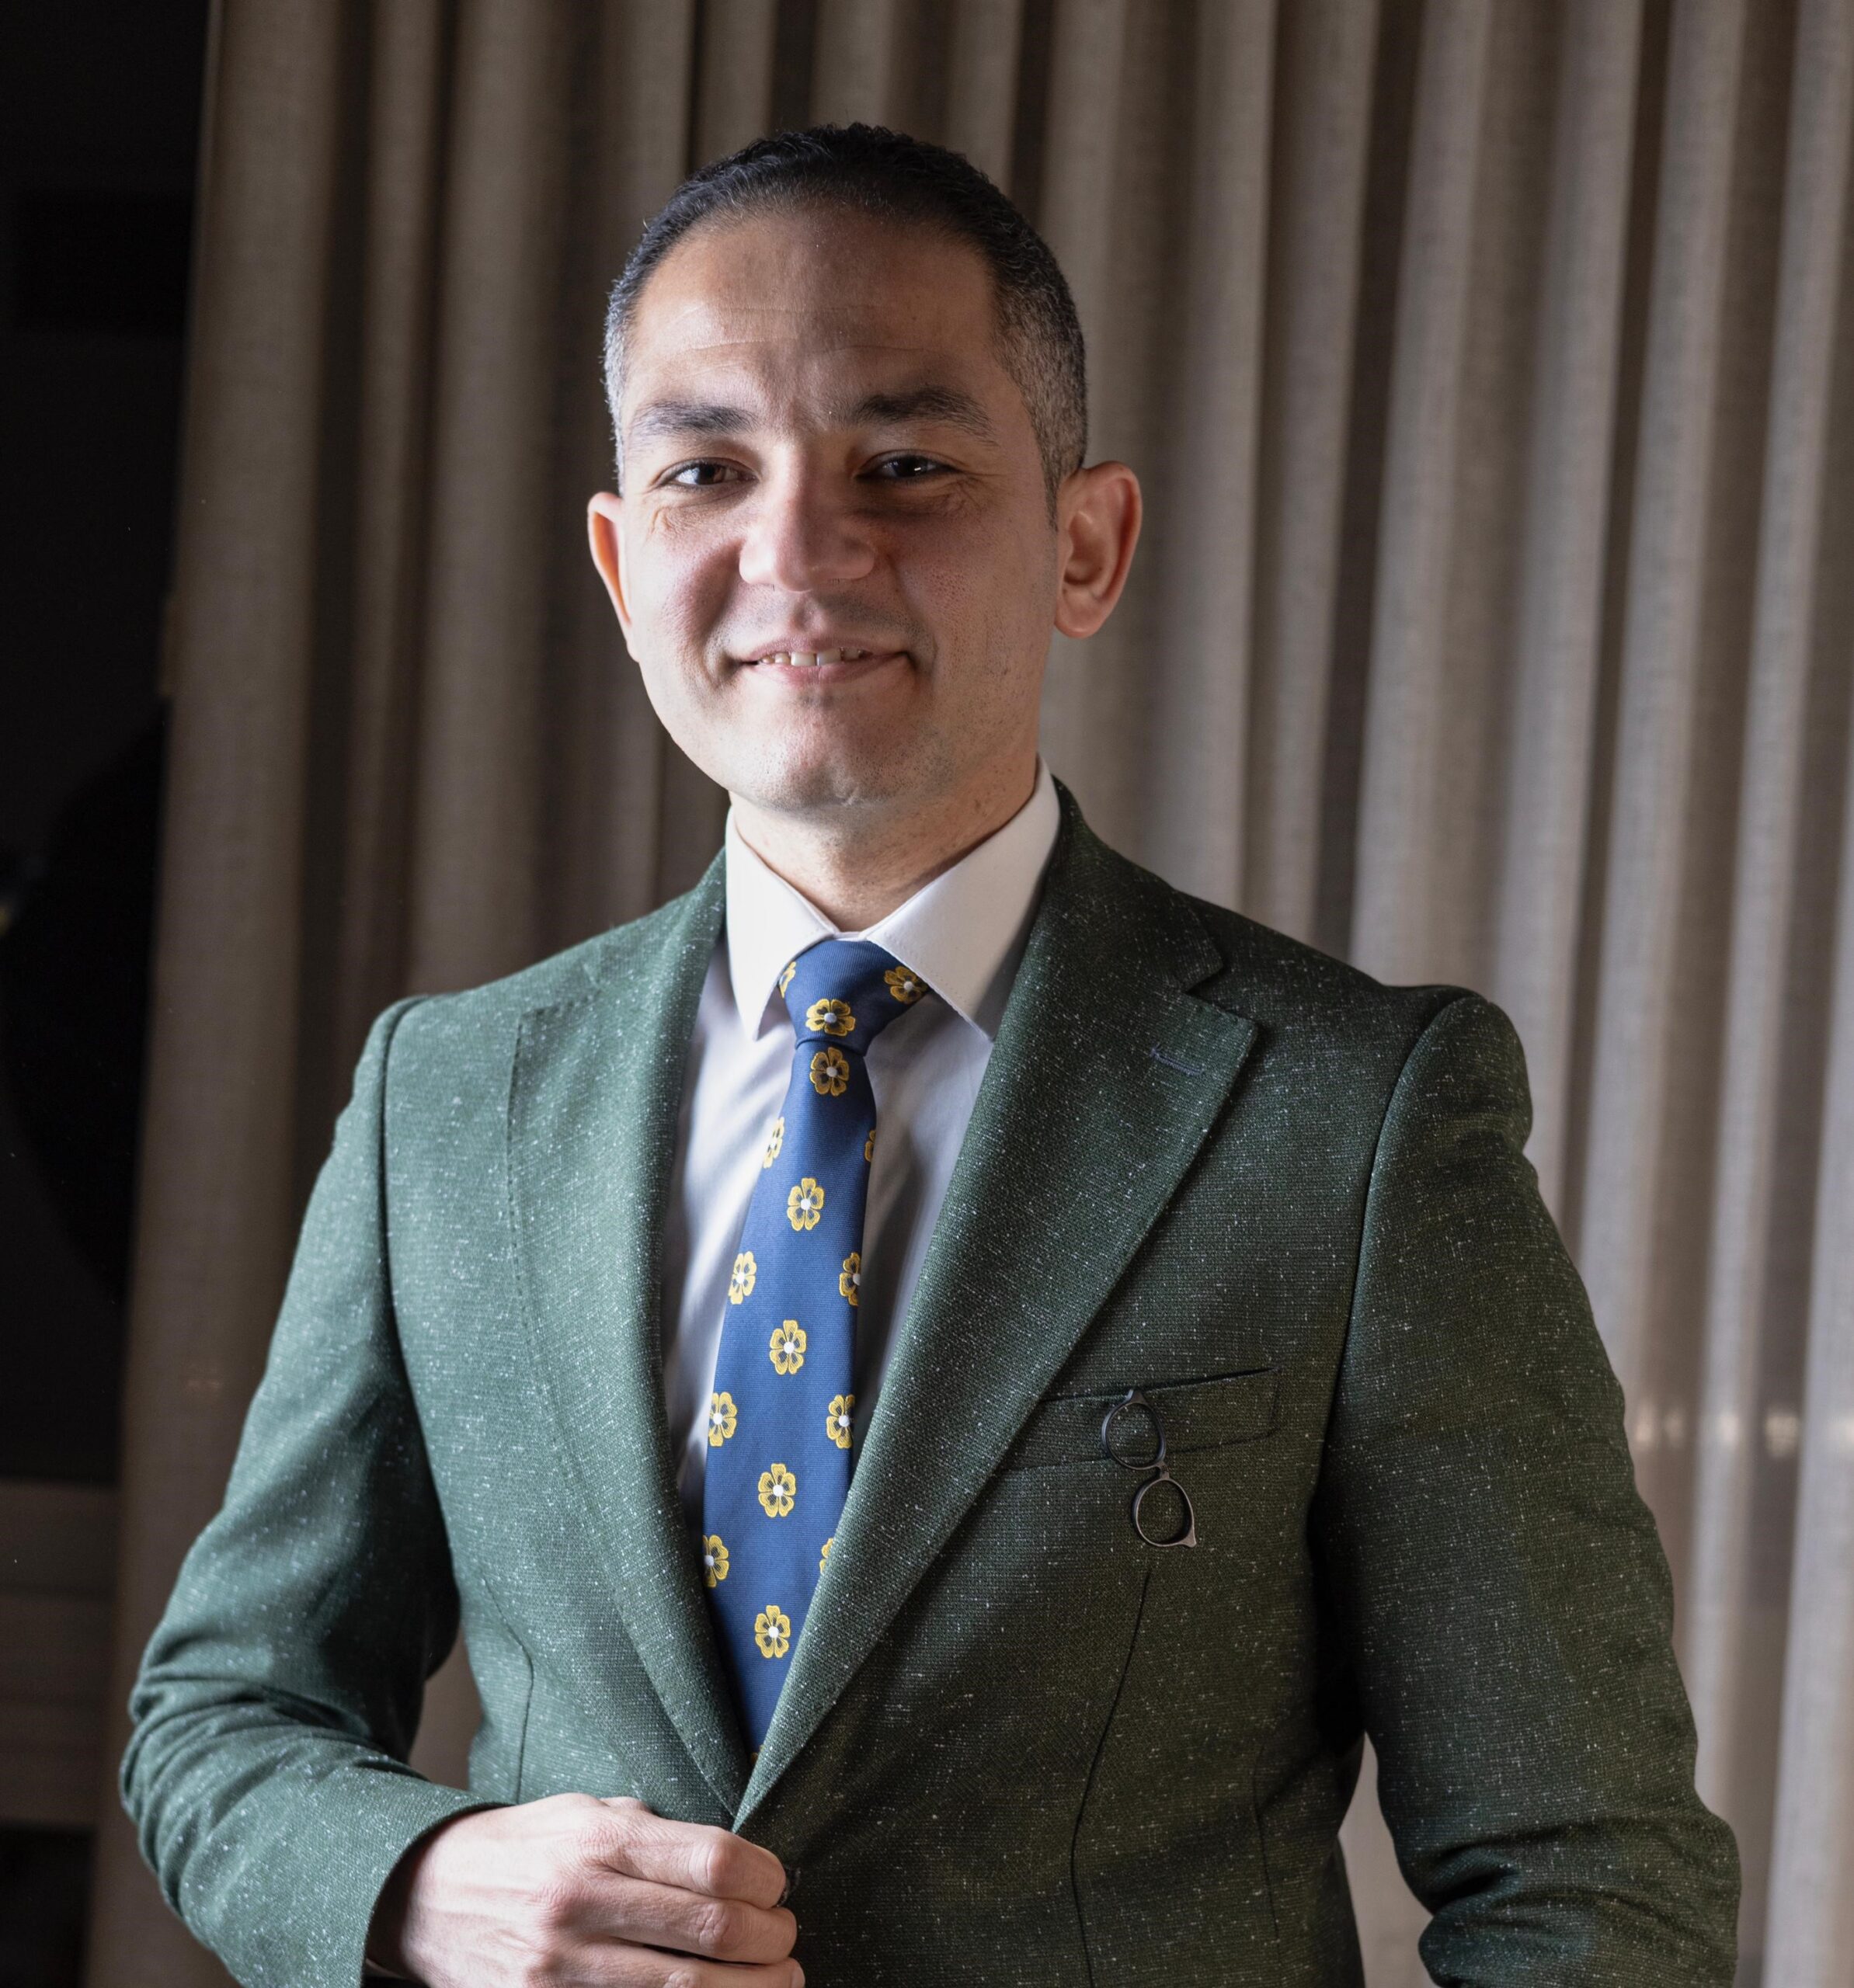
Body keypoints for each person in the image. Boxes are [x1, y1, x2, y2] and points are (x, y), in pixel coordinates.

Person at [123, 124, 1738, 1988]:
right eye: (707, 469)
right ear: (622, 561)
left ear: (1085, 543)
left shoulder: (1357, 1115)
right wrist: (415, 1880)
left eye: (904, 464)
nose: (798, 550)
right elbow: (221, 1717)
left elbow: (1591, 1881)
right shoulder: (448, 1100)